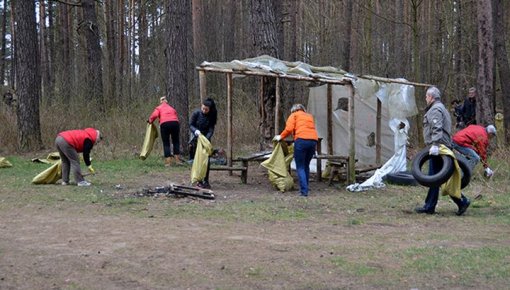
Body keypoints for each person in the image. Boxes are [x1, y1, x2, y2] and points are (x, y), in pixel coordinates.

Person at [415, 87, 470, 215]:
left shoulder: (435, 109)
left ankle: (432, 206)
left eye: (426, 96)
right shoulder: (442, 108)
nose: (426, 99)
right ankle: (459, 201)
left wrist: (435, 144)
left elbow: (436, 127)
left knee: (435, 178)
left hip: (439, 148)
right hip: (442, 146)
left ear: (431, 97)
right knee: (439, 177)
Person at [273, 104, 318, 197]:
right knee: (306, 165)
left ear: (293, 110)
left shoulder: (294, 115)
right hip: (313, 141)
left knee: (300, 166)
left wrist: (280, 136)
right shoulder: (309, 116)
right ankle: (306, 187)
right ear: (303, 109)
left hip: (301, 140)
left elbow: (289, 129)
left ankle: (304, 191)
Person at [189, 98, 217, 189]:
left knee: (206, 161)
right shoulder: (196, 113)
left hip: (205, 140)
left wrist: (206, 139)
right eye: (203, 108)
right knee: (197, 160)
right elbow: (191, 125)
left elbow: (211, 130)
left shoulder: (212, 116)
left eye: (206, 109)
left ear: (209, 109)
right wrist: (195, 131)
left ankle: (206, 180)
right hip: (196, 138)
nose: (204, 110)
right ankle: (198, 180)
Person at [148, 96, 182, 166]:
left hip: (165, 124)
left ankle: (168, 162)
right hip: (175, 123)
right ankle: (178, 160)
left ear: (160, 102)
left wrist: (150, 121)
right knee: (176, 141)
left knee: (166, 143)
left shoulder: (159, 108)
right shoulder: (172, 108)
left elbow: (154, 115)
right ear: (166, 102)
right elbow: (175, 115)